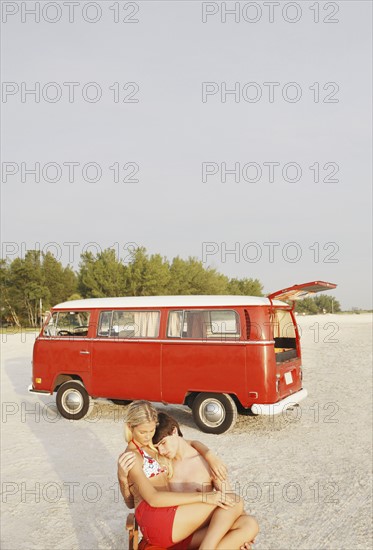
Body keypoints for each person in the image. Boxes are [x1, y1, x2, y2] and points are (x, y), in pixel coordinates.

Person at [117, 401, 258, 549]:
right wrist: (122, 477)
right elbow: (145, 500)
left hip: (174, 523)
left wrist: (208, 454)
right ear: (130, 427)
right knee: (234, 501)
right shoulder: (132, 456)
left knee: (249, 524)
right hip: (159, 518)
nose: (147, 437)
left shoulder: (151, 448)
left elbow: (184, 442)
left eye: (151, 431)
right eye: (142, 432)